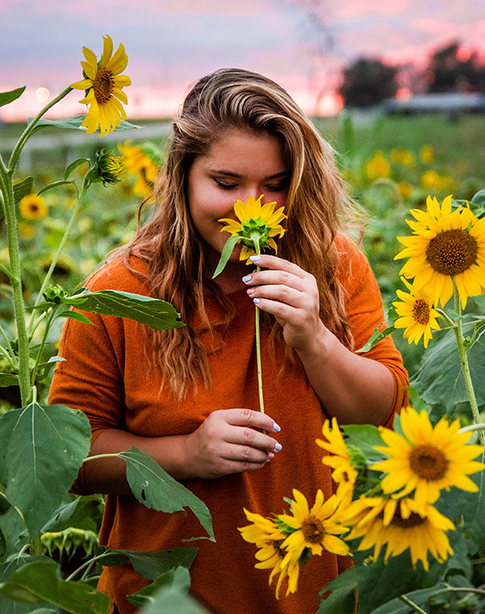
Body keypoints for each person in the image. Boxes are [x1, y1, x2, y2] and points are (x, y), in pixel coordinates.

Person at [48, 69, 409, 613]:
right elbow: (71, 460)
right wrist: (186, 454)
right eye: (226, 183)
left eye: (275, 185)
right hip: (166, 597)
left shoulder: (333, 267)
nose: (251, 209)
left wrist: (314, 338)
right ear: (183, 176)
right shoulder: (119, 292)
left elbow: (382, 410)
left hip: (310, 593)